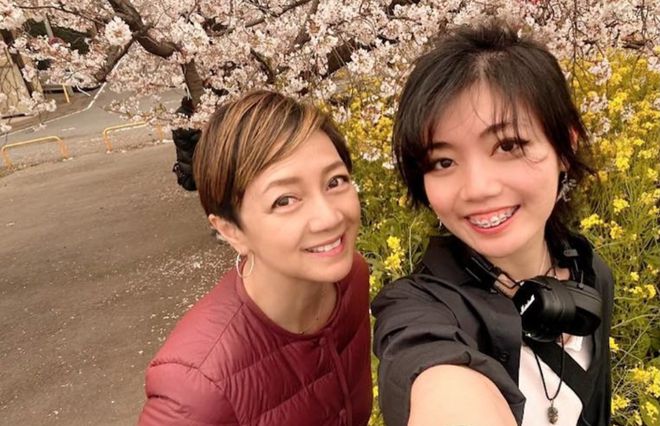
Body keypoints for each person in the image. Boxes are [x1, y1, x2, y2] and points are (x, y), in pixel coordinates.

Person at [372, 23, 614, 426]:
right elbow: (434, 377)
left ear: (564, 148)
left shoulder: (590, 273)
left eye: (508, 145)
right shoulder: (416, 310)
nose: (478, 188)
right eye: (443, 161)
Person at [139, 90, 372, 425]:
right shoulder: (196, 387)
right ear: (231, 230)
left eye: (335, 181)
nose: (330, 218)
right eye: (285, 200)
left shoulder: (350, 278)